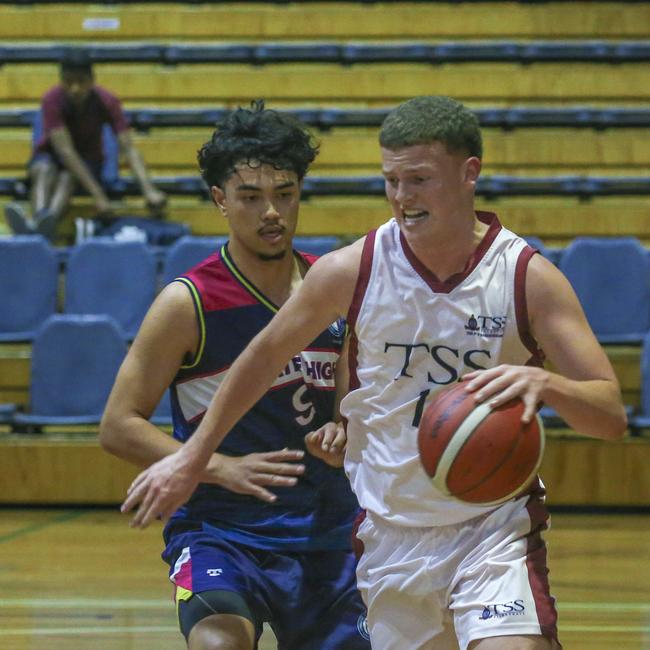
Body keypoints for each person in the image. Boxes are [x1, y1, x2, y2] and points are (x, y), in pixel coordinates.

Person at [121, 96, 628, 649]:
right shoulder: (350, 271)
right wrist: (197, 460)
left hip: (490, 528)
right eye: (391, 180)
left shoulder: (527, 277)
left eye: (419, 180)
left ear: (468, 174)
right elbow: (262, 358)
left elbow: (609, 415)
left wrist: (547, 384)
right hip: (384, 536)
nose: (402, 197)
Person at [99, 100, 370, 650]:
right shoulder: (188, 303)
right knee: (219, 644)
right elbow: (118, 425)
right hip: (220, 529)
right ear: (220, 200)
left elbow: (353, 405)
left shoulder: (335, 289)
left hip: (328, 529)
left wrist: (345, 431)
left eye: (285, 194)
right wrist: (218, 466)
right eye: (250, 197)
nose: (271, 211)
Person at [4, 48, 166, 240]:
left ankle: (40, 229)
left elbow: (128, 148)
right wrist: (99, 196)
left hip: (88, 162)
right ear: (61, 80)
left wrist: (149, 190)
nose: (75, 89)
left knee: (68, 177)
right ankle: (40, 222)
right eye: (68, 82)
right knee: (43, 169)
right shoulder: (51, 100)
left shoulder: (107, 101)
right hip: (50, 157)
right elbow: (65, 152)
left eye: (81, 82)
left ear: (92, 81)